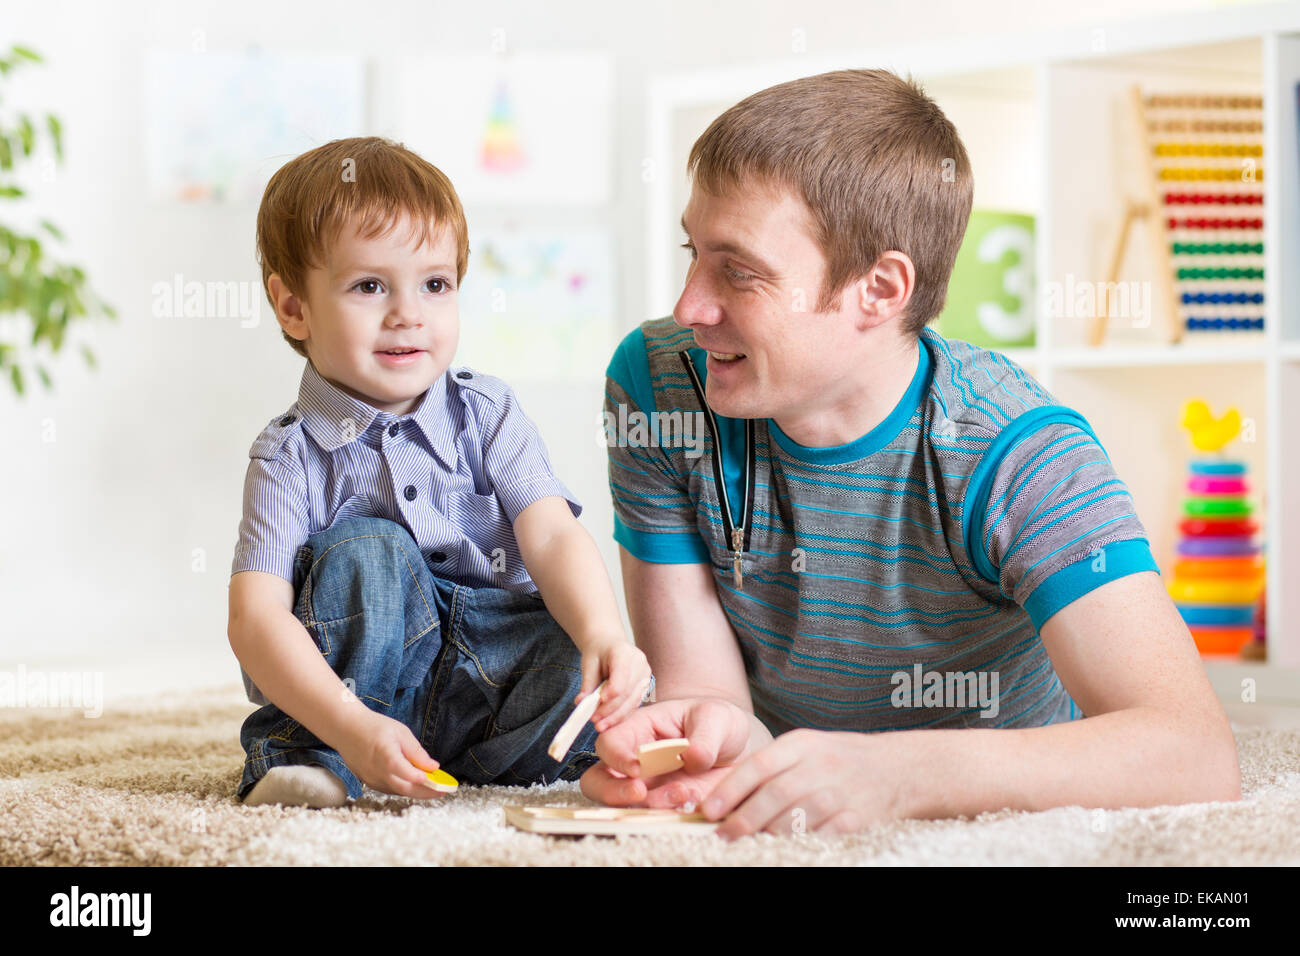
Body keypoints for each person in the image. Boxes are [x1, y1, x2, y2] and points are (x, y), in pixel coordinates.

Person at [585, 69, 1241, 837]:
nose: (689, 306)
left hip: (991, 818)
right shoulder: (661, 386)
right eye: (694, 252)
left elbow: (1194, 752)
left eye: (739, 271)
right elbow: (713, 699)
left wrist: (895, 774)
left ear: (880, 288)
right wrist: (704, 744)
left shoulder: (1017, 451)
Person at [228, 136, 650, 808]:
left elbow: (550, 536)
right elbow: (255, 620)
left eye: (435, 284)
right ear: (293, 307)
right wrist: (350, 723)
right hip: (355, 697)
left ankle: (561, 757)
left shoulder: (487, 409)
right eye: (370, 286)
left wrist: (604, 633)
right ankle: (316, 757)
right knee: (369, 548)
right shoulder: (290, 454)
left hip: (488, 679)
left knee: (570, 647)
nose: (408, 314)